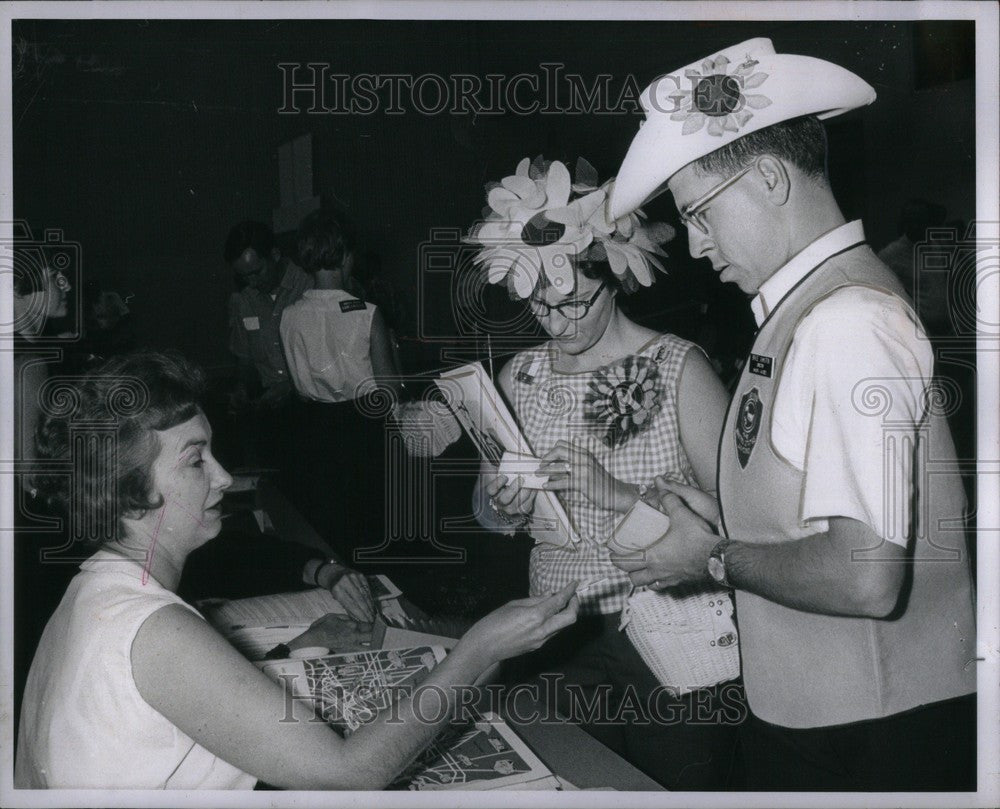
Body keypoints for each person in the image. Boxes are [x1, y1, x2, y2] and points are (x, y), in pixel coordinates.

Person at [608, 37, 975, 791]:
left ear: (769, 176)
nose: (699, 247)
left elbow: (866, 574)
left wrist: (709, 557)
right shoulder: (807, 311)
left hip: (870, 736)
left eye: (701, 215)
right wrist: (722, 518)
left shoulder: (843, 322)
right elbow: (820, 509)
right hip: (829, 723)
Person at [14, 350, 578, 789]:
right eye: (194, 461)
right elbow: (351, 772)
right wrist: (480, 649)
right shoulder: (154, 630)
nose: (223, 478)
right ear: (132, 496)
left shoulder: (93, 585)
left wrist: (294, 648)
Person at [468, 156, 738, 790]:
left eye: (572, 304)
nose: (555, 324)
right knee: (568, 784)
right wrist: (501, 504)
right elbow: (486, 512)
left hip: (671, 629)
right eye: (538, 306)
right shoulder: (522, 376)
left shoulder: (680, 369)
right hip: (555, 629)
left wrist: (613, 494)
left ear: (615, 280)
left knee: (678, 790)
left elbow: (736, 517)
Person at [279, 210, 401, 561]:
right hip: (363, 429)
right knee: (372, 525)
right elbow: (389, 390)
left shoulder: (289, 316)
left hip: (313, 428)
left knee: (331, 525)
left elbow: (295, 380)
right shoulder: (366, 313)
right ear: (347, 255)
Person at [224, 219, 312, 468]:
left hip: (310, 410)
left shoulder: (309, 286)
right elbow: (244, 358)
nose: (251, 282)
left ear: (275, 254)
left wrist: (289, 387)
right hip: (270, 414)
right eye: (243, 276)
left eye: (256, 272)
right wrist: (241, 389)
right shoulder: (243, 301)